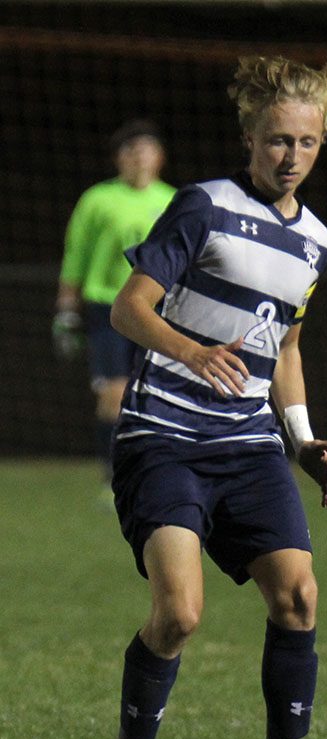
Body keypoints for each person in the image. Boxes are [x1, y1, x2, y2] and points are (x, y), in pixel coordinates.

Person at [101, 55, 327, 739]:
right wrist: (190, 349)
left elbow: (287, 351)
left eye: (306, 142)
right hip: (163, 437)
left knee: (299, 597)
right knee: (178, 613)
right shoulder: (201, 206)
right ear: (250, 137)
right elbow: (128, 308)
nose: (291, 156)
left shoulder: (316, 244)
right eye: (277, 140)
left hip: (247, 445)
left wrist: (301, 441)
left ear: (321, 142)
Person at [54, 120, 176, 499]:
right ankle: (111, 476)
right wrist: (65, 311)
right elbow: (76, 255)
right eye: (130, 150)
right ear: (118, 158)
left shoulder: (175, 200)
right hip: (107, 307)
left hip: (157, 309)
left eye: (146, 149)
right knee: (113, 393)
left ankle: (154, 471)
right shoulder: (97, 199)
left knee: (155, 394)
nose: (139, 157)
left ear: (160, 157)